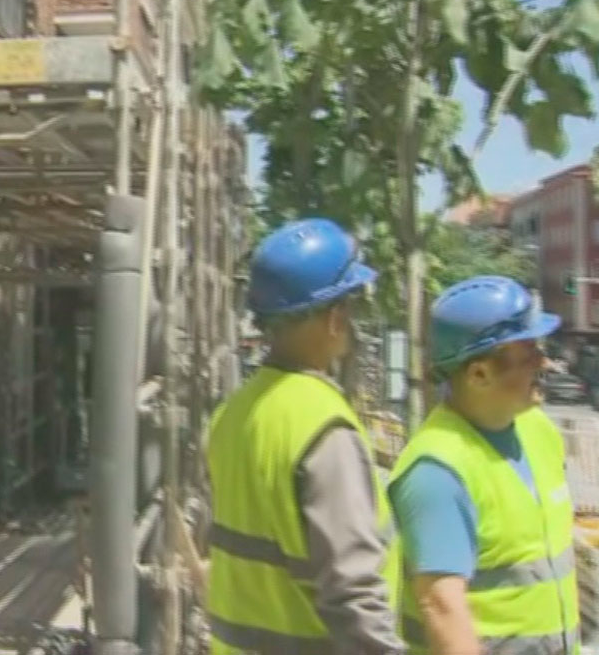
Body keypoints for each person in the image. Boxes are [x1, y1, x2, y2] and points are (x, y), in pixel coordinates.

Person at [205, 217, 403, 655]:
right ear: (335, 317)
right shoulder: (324, 426)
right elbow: (352, 592)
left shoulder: (231, 414)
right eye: (352, 306)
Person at [388, 275, 578, 655]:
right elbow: (443, 608)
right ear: (479, 374)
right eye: (529, 355)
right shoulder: (437, 472)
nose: (545, 363)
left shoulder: (537, 430)